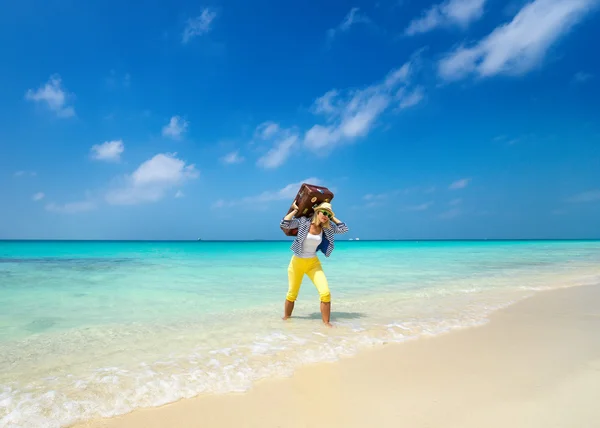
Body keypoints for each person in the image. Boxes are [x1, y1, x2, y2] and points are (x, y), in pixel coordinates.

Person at [279, 201, 349, 327]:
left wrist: (332, 217)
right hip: (297, 262)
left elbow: (344, 229)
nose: (325, 216)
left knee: (325, 293)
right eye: (324, 212)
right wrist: (294, 211)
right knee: (292, 293)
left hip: (313, 263)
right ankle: (287, 319)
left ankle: (326, 323)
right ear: (317, 212)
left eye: (328, 214)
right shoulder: (304, 222)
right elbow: (285, 223)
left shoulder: (326, 228)